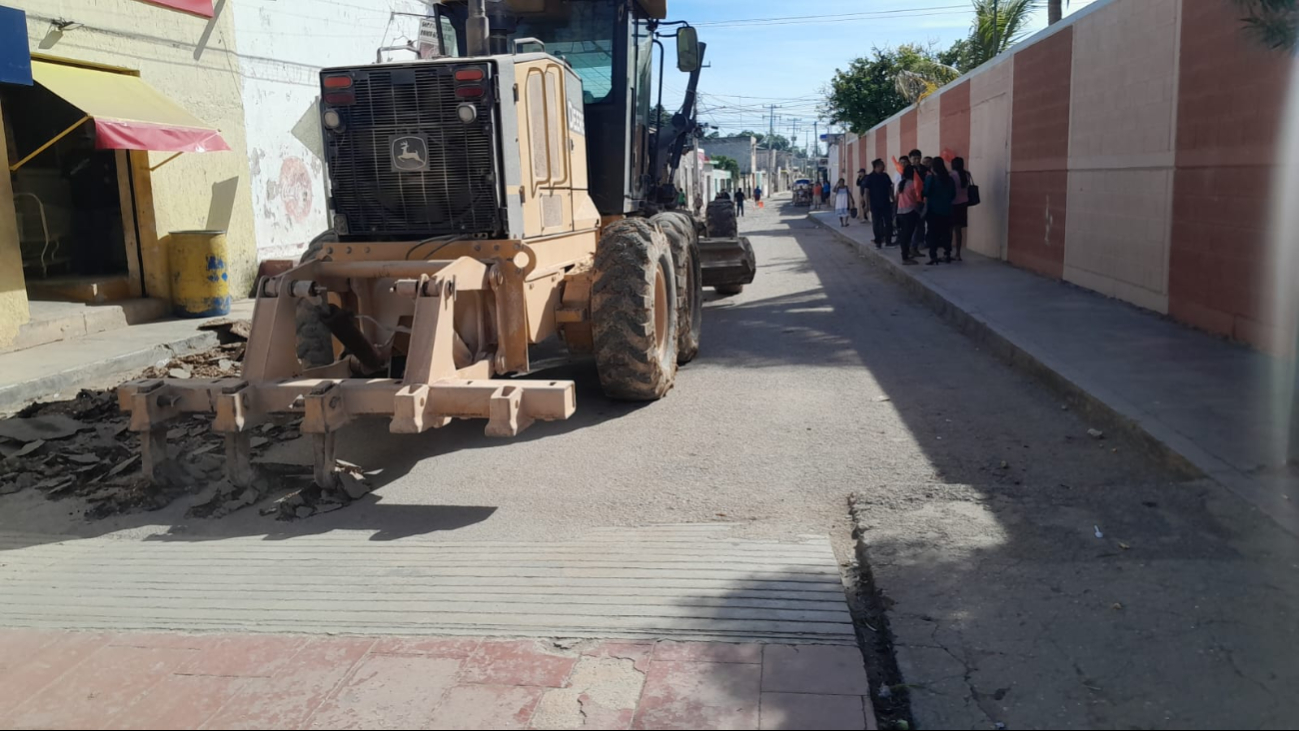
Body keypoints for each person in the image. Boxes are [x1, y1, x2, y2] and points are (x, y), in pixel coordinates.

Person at [923, 157, 956, 265]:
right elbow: (953, 195)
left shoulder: (930, 178)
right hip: (947, 210)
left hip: (933, 210)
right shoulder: (950, 179)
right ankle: (947, 254)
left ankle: (933, 256)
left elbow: (926, 192)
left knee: (933, 233)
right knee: (946, 233)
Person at [895, 162, 922, 264]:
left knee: (903, 235)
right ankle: (905, 258)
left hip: (901, 212)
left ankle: (905, 255)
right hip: (910, 212)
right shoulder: (912, 184)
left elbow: (896, 198)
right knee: (908, 235)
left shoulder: (901, 184)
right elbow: (916, 199)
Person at [865, 159, 895, 249]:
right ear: (877, 166)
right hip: (875, 205)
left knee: (888, 222)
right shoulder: (870, 177)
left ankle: (888, 241)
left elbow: (890, 188)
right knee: (877, 223)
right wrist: (867, 204)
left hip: (886, 203)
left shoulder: (885, 176)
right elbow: (866, 191)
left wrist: (893, 198)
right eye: (882, 165)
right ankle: (878, 241)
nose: (884, 166)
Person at [950, 157, 972, 261]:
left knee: (950, 229)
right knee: (958, 230)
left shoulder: (951, 175)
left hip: (953, 204)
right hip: (964, 204)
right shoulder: (967, 174)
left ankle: (948, 251)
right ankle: (958, 253)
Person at [908, 150, 929, 252]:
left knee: (921, 222)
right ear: (910, 159)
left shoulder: (925, 169)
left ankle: (919, 243)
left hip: (923, 199)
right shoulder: (909, 170)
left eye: (918, 158)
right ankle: (912, 244)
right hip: (912, 200)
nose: (917, 160)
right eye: (914, 158)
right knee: (914, 223)